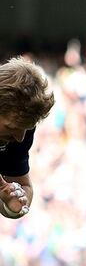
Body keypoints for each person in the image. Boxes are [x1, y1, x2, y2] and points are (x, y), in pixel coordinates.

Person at [0, 57, 56, 220]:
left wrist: (12, 204)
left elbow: (21, 184)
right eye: (11, 127)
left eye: (27, 128)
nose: (19, 138)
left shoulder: (20, 130)